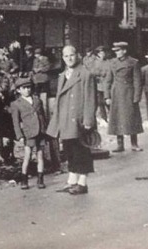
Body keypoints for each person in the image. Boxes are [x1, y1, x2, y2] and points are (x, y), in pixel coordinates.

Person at [46, 45, 97, 195]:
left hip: (78, 119)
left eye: (72, 55)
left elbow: (90, 99)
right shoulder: (63, 75)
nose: (69, 58)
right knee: (69, 150)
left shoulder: (85, 74)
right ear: (63, 58)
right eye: (66, 56)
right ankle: (71, 181)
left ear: (78, 55)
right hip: (65, 119)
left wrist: (88, 120)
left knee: (81, 150)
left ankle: (82, 183)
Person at [104, 42, 144, 152]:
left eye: (118, 51)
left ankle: (134, 144)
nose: (116, 53)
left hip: (128, 93)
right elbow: (107, 81)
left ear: (124, 51)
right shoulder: (112, 63)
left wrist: (137, 96)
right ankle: (120, 144)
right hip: (116, 93)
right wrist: (107, 96)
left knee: (131, 117)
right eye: (115, 51)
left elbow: (137, 81)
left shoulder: (133, 62)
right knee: (117, 118)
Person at [10, 77, 48, 190]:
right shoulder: (16, 104)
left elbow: (43, 116)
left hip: (40, 131)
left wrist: (46, 130)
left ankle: (40, 179)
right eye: (24, 88)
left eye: (29, 87)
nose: (27, 90)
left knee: (40, 156)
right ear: (18, 90)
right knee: (27, 156)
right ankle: (24, 179)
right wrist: (20, 136)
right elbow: (16, 122)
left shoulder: (37, 100)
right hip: (29, 133)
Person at [89, 46, 111, 122]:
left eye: (103, 52)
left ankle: (112, 117)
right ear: (98, 54)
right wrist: (101, 73)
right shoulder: (95, 62)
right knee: (100, 103)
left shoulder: (108, 62)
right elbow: (92, 72)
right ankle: (104, 118)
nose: (103, 54)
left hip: (107, 85)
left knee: (108, 102)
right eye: (101, 53)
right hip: (99, 85)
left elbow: (110, 71)